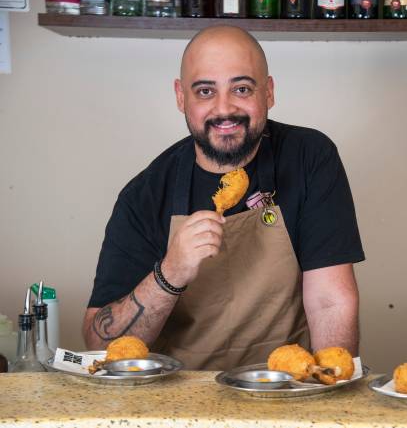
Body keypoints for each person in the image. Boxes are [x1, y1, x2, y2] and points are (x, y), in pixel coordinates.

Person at [82, 26, 365, 370]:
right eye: (204, 91)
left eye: (241, 88)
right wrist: (169, 274)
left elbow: (329, 302)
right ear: (180, 97)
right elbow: (99, 345)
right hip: (177, 400)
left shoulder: (309, 158)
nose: (224, 108)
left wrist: (328, 387)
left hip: (287, 389)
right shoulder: (144, 195)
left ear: (269, 92)